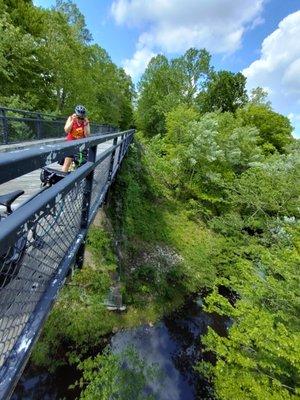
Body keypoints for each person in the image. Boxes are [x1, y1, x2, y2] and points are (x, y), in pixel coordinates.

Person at [62, 105, 90, 172]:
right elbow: (66, 130)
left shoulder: (85, 121)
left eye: (82, 118)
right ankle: (63, 180)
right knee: (67, 163)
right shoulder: (71, 118)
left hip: (80, 145)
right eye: (79, 117)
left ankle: (78, 178)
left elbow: (87, 135)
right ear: (76, 115)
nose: (80, 120)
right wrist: (72, 121)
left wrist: (86, 125)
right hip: (71, 143)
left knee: (81, 163)